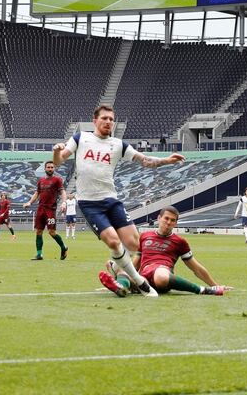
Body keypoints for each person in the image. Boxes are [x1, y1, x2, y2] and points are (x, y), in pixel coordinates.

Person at [53, 105, 185, 297]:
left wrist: (167, 160)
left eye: (111, 119)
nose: (108, 122)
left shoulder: (118, 144)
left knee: (136, 244)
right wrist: (57, 151)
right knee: (114, 243)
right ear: (95, 121)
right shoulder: (81, 138)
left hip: (112, 200)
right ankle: (141, 284)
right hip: (90, 203)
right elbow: (59, 160)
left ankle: (117, 268)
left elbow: (145, 161)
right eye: (104, 118)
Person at [99, 206, 230, 297]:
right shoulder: (144, 236)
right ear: (159, 218)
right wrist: (126, 273)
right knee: (121, 267)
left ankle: (204, 290)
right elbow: (135, 264)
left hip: (162, 274)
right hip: (144, 278)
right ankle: (120, 286)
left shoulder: (180, 242)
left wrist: (215, 285)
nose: (168, 223)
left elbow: (196, 268)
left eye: (172, 220)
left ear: (176, 223)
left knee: (160, 276)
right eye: (166, 218)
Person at [23, 161, 68, 260]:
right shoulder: (41, 181)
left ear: (54, 169)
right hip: (40, 209)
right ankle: (39, 254)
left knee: (52, 232)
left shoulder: (57, 180)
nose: (50, 169)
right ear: (45, 168)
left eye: (52, 167)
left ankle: (63, 247)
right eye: (48, 167)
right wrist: (29, 202)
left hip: (50, 210)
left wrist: (64, 202)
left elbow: (62, 191)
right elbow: (37, 193)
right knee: (39, 231)